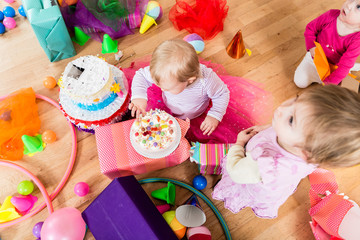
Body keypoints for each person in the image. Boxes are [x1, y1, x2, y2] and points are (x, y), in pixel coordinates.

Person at [212, 85, 360, 219]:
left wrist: (239, 144)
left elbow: (236, 171)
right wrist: (268, 128)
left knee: (237, 178)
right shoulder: (308, 149)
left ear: (306, 153)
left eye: (291, 120)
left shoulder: (269, 164)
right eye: (296, 100)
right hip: (270, 174)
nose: (281, 109)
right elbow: (285, 130)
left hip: (249, 181)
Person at [126, 39, 272, 143]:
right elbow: (141, 76)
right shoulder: (165, 73)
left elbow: (222, 94)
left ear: (189, 80)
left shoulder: (206, 81)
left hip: (197, 114)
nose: (161, 88)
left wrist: (214, 115)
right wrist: (139, 97)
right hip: (167, 107)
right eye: (159, 84)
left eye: (167, 87)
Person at [294, 0, 360, 88]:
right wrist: (312, 47)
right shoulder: (330, 15)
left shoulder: (357, 41)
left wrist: (328, 84)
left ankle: (350, 67)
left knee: (342, 77)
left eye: (358, 7)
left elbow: (344, 66)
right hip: (314, 58)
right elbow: (310, 29)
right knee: (299, 82)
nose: (349, 5)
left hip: (334, 67)